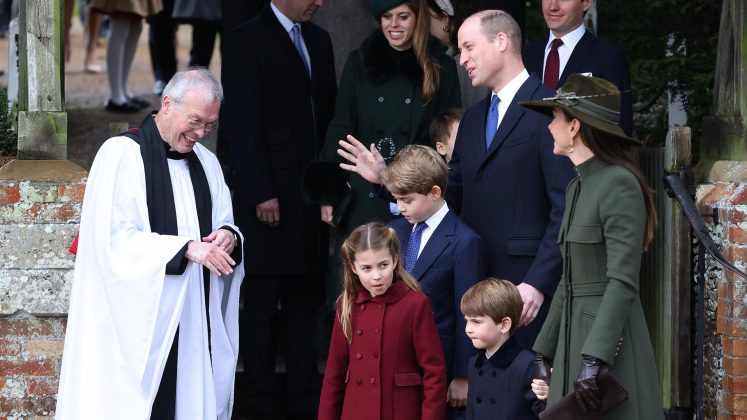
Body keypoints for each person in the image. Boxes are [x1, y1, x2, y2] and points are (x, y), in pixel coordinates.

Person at [335, 10, 575, 350]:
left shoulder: (549, 109)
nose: (462, 60)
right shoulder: (473, 118)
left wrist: (538, 282)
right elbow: (451, 192)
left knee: (529, 395)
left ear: (502, 41)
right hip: (471, 284)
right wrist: (387, 181)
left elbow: (565, 206)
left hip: (524, 290)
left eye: (469, 48)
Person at [55, 69, 244, 419]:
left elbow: (225, 218)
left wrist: (228, 236)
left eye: (210, 125)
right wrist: (185, 248)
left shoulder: (208, 162)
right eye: (195, 120)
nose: (201, 133)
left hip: (192, 316)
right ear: (167, 104)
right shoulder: (120, 156)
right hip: (138, 323)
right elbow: (111, 240)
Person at [520, 74, 664, 417]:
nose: (549, 126)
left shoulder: (618, 183)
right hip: (575, 340)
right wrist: (543, 351)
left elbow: (622, 282)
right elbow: (568, 282)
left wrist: (595, 357)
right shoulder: (576, 187)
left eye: (555, 117)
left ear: (574, 127)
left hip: (608, 344)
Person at [221, 0, 337, 418]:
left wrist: (328, 189)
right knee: (263, 306)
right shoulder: (244, 39)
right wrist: (258, 191)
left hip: (309, 198)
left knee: (306, 300)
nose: (320, 3)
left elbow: (327, 120)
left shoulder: (319, 40)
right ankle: (262, 399)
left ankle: (304, 398)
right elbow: (241, 121)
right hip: (267, 198)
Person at [311, 0, 460, 326]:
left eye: (403, 16)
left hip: (415, 195)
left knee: (409, 292)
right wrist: (328, 192)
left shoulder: (440, 67)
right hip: (364, 195)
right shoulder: (359, 62)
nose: (394, 25)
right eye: (386, 17)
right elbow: (341, 125)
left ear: (418, 18)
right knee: (356, 292)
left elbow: (448, 135)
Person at [381, 145, 484, 418]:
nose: (400, 207)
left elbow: (469, 312)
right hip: (393, 359)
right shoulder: (394, 231)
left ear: (435, 192)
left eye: (407, 199)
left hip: (440, 363)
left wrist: (464, 374)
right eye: (396, 199)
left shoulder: (464, 241)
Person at [318, 222, 448, 420]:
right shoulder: (346, 305)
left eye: (383, 265)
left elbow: (434, 374)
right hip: (356, 411)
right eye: (366, 268)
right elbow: (334, 373)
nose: (376, 276)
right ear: (353, 267)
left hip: (400, 411)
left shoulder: (415, 304)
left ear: (395, 260)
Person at [522, 0, 633, 135]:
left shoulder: (608, 57)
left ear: (586, 3)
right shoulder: (525, 55)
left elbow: (619, 128)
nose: (552, 6)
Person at [460, 278, 546, 419]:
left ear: (504, 324)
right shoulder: (474, 363)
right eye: (467, 321)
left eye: (476, 322)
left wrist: (549, 394)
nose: (468, 329)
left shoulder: (527, 365)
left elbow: (544, 412)